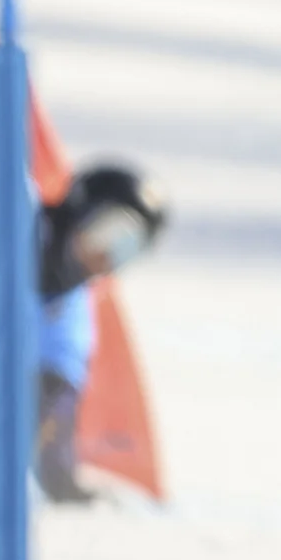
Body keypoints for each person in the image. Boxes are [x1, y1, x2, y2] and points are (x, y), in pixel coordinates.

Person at [33, 161, 167, 503]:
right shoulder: (12, 215)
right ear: (81, 210)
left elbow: (54, 415)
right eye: (108, 233)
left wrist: (62, 481)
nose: (105, 256)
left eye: (126, 249)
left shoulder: (66, 323)